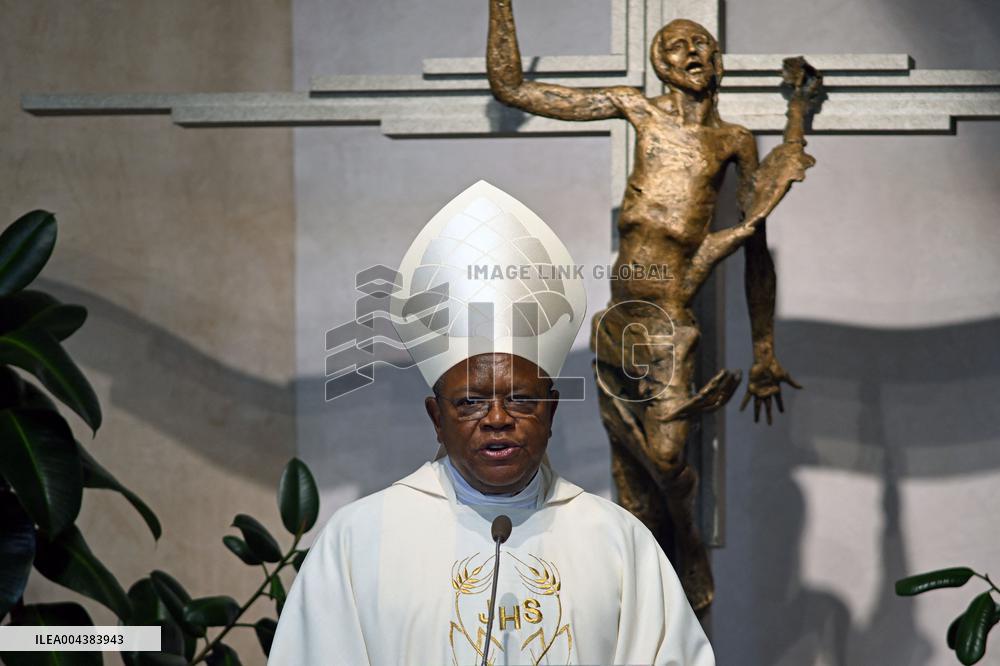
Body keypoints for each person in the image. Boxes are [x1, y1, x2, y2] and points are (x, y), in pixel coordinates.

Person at [268, 182, 716, 665]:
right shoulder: (359, 538)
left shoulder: (617, 541)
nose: (498, 419)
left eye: (521, 399)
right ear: (436, 418)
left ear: (552, 410)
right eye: (470, 403)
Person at [487, 0, 823, 611]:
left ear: (717, 63)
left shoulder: (733, 141)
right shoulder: (635, 108)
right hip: (619, 321)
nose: (692, 52)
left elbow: (754, 240)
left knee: (666, 456)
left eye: (702, 45)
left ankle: (687, 541)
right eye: (676, 45)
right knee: (630, 487)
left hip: (671, 322)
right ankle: (648, 595)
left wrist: (765, 350)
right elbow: (511, 89)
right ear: (658, 66)